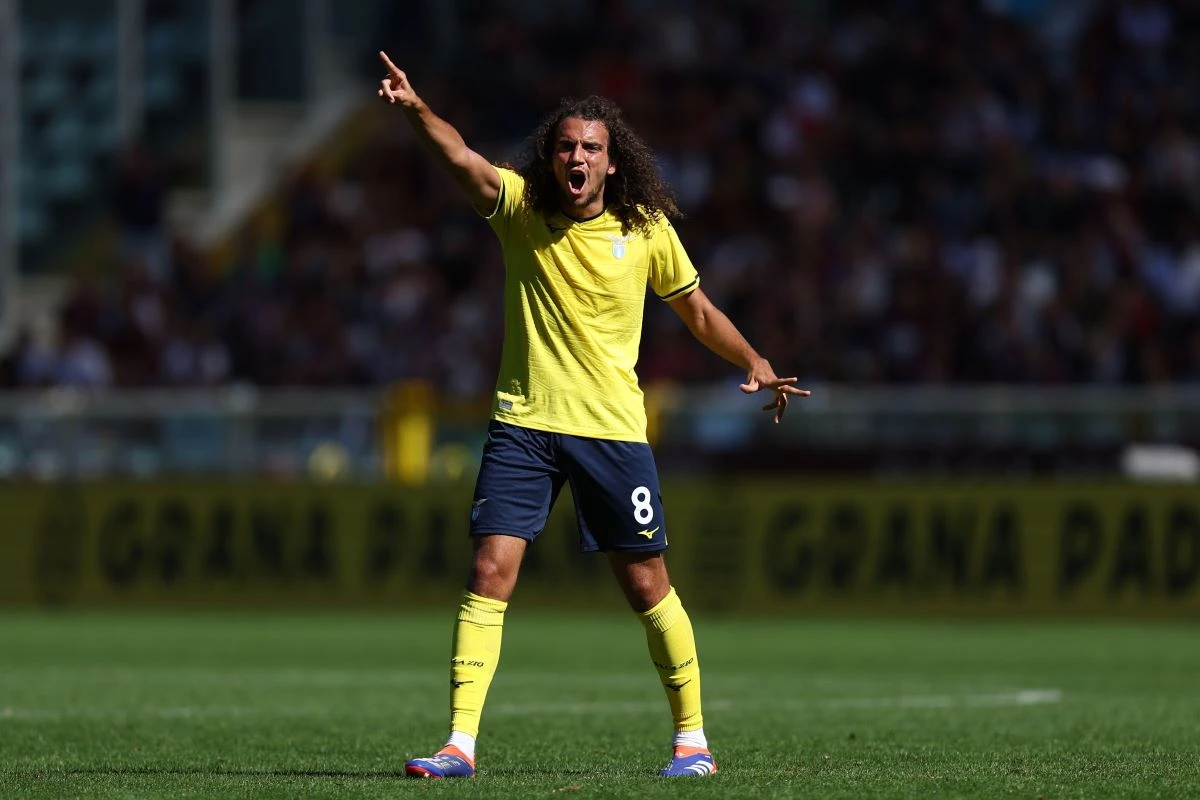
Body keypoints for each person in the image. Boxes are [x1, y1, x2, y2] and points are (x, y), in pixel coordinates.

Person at [377, 50, 809, 780]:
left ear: (612, 164)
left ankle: (693, 742)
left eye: (592, 148)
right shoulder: (519, 211)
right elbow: (461, 157)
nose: (578, 157)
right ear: (552, 159)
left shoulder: (645, 232)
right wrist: (418, 109)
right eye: (567, 146)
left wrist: (753, 361)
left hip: (612, 433)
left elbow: (697, 311)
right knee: (490, 570)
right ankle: (459, 744)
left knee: (647, 586)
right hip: (524, 424)